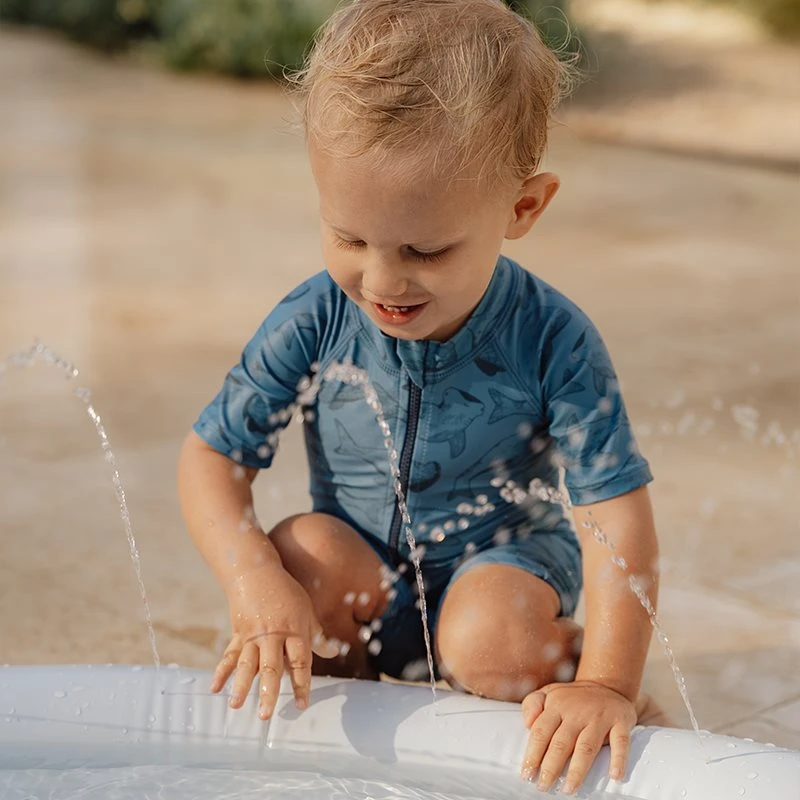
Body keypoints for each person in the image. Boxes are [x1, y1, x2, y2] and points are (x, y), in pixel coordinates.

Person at [178, 0, 667, 793]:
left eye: (424, 249)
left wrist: (608, 682)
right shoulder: (316, 316)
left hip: (502, 579)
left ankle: (594, 685)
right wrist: (252, 580)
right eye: (349, 237)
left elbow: (616, 518)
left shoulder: (551, 338)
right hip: (365, 579)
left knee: (490, 642)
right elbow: (211, 458)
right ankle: (350, 745)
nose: (382, 280)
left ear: (521, 208)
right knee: (303, 557)